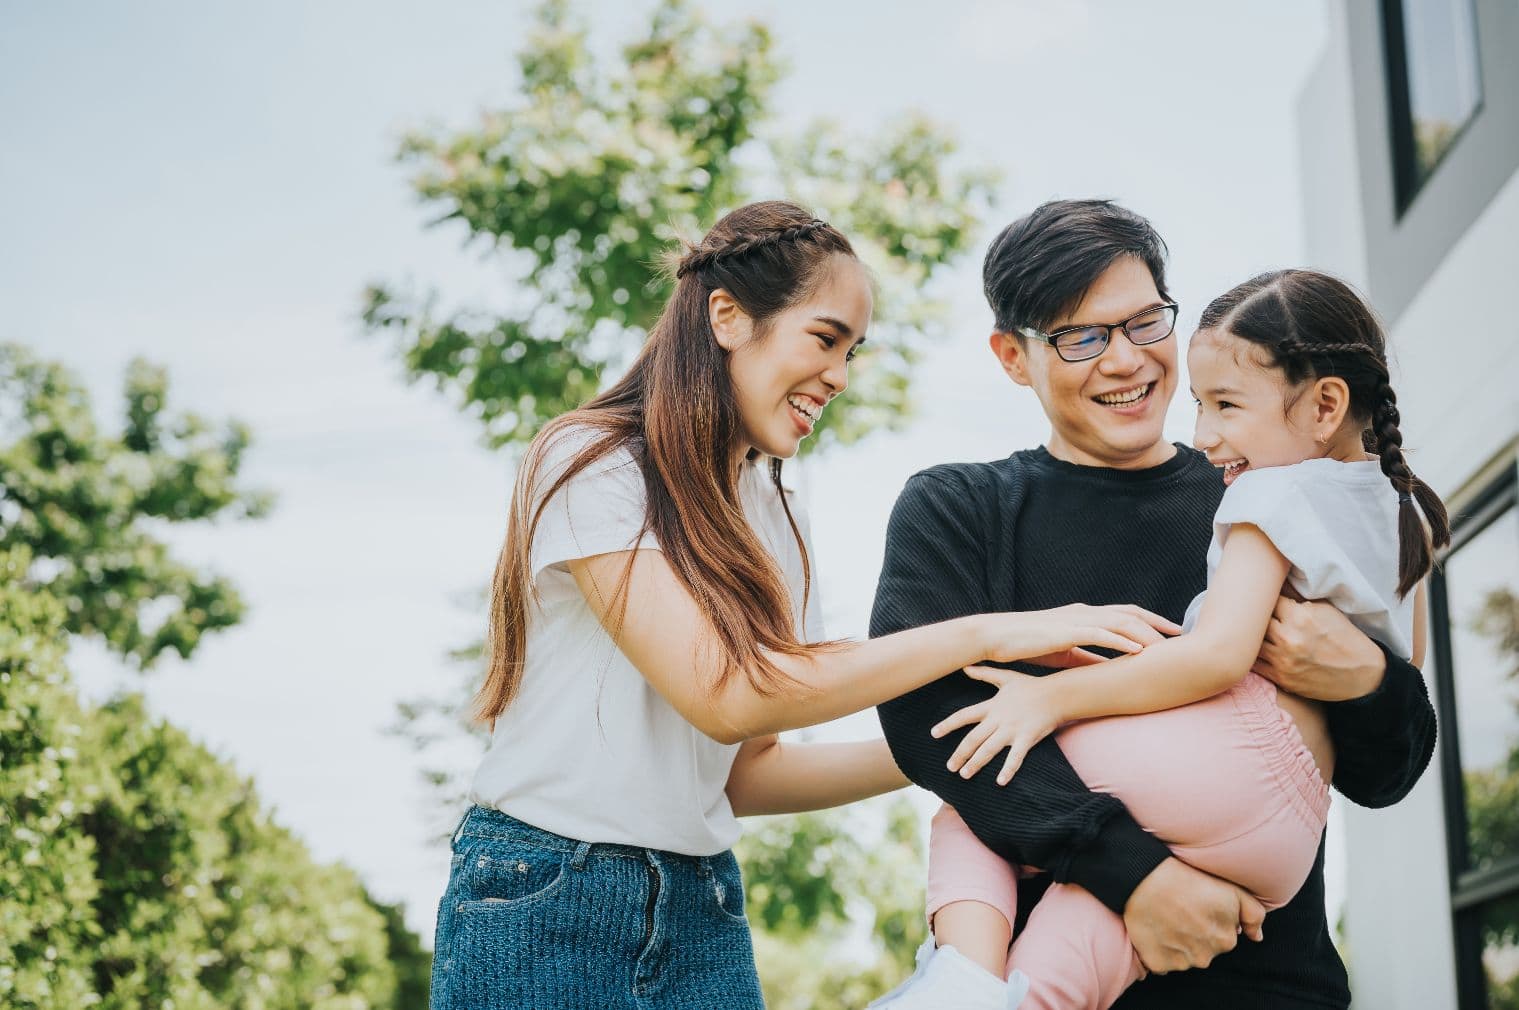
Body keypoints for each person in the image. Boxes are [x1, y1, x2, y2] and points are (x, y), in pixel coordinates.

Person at [427, 200, 1172, 1010]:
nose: (841, 377)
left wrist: (950, 735)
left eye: (853, 352)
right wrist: (990, 634)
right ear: (727, 317)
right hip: (544, 894)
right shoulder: (593, 461)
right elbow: (731, 696)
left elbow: (749, 772)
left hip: (701, 904)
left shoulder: (775, 510)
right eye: (824, 339)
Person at [869, 201, 1437, 1010]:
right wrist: (1136, 879)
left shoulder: (1261, 481)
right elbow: (930, 724)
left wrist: (1366, 683)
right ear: (1011, 356)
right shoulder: (960, 506)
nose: (1124, 360)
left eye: (1144, 322)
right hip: (1066, 967)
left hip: (1271, 984)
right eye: (1081, 336)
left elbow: (1391, 773)